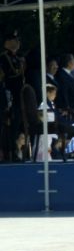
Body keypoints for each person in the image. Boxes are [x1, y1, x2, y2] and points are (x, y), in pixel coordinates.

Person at [1, 29, 28, 161]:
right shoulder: (4, 57)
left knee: (16, 125)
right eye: (14, 40)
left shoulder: (17, 57)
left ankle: (15, 151)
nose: (17, 43)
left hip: (18, 96)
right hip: (8, 95)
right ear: (8, 42)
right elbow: (12, 74)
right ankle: (8, 152)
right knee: (8, 126)